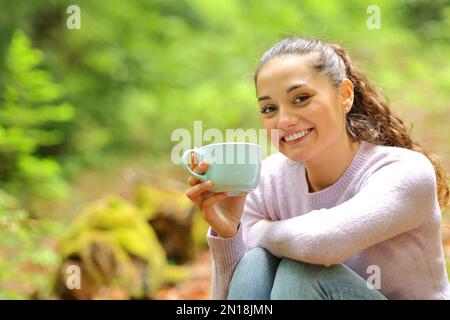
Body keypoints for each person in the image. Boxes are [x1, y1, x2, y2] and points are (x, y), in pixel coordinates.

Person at [185, 37, 450, 300]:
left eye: (301, 98)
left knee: (301, 272)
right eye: (269, 108)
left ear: (344, 95)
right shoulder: (266, 180)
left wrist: (256, 231)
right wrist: (230, 234)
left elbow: (326, 244)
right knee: (255, 261)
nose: (285, 120)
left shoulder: (404, 171)